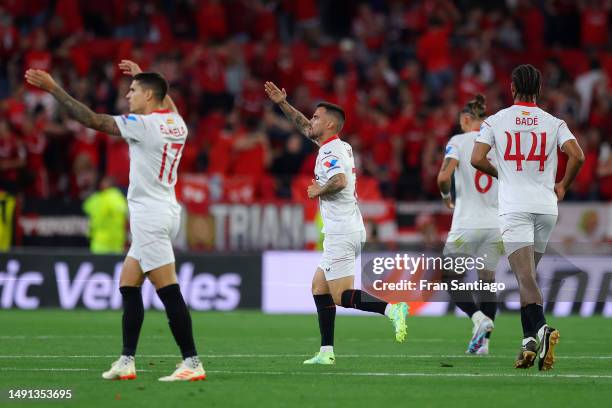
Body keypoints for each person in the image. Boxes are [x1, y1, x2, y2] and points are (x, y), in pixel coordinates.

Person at [25, 60, 205, 382]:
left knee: (168, 290)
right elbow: (166, 100)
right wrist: (141, 75)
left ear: (149, 96)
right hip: (165, 210)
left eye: (133, 90)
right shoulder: (177, 123)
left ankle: (192, 362)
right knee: (128, 283)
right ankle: (126, 361)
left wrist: (53, 88)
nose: (127, 95)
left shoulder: (144, 125)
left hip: (150, 217)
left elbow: (92, 120)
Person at [264, 81, 409, 365]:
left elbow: (339, 180)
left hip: (342, 231)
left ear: (330, 124)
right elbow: (305, 127)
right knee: (319, 287)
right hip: (345, 228)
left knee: (341, 296)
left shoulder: (330, 152)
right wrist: (282, 103)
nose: (311, 121)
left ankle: (393, 310)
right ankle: (326, 352)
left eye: (316, 117)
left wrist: (319, 189)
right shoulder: (337, 145)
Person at [471, 64, 585, 371]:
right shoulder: (554, 122)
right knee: (528, 278)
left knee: (524, 277)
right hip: (546, 207)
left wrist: (502, 173)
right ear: (540, 89)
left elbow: (476, 158)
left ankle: (543, 329)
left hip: (516, 207)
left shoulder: (495, 121)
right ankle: (528, 343)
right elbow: (578, 155)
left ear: (511, 88)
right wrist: (563, 184)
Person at [437, 94, 502, 355]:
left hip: (466, 223)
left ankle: (477, 318)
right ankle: (482, 345)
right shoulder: (498, 144)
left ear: (465, 120)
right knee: (487, 281)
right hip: (496, 224)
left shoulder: (458, 141)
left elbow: (443, 176)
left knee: (450, 277)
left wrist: (446, 196)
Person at [82, 176, 128, 254]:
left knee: (98, 264)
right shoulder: (114, 197)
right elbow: (125, 211)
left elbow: (86, 207)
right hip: (114, 242)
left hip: (100, 242)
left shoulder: (97, 198)